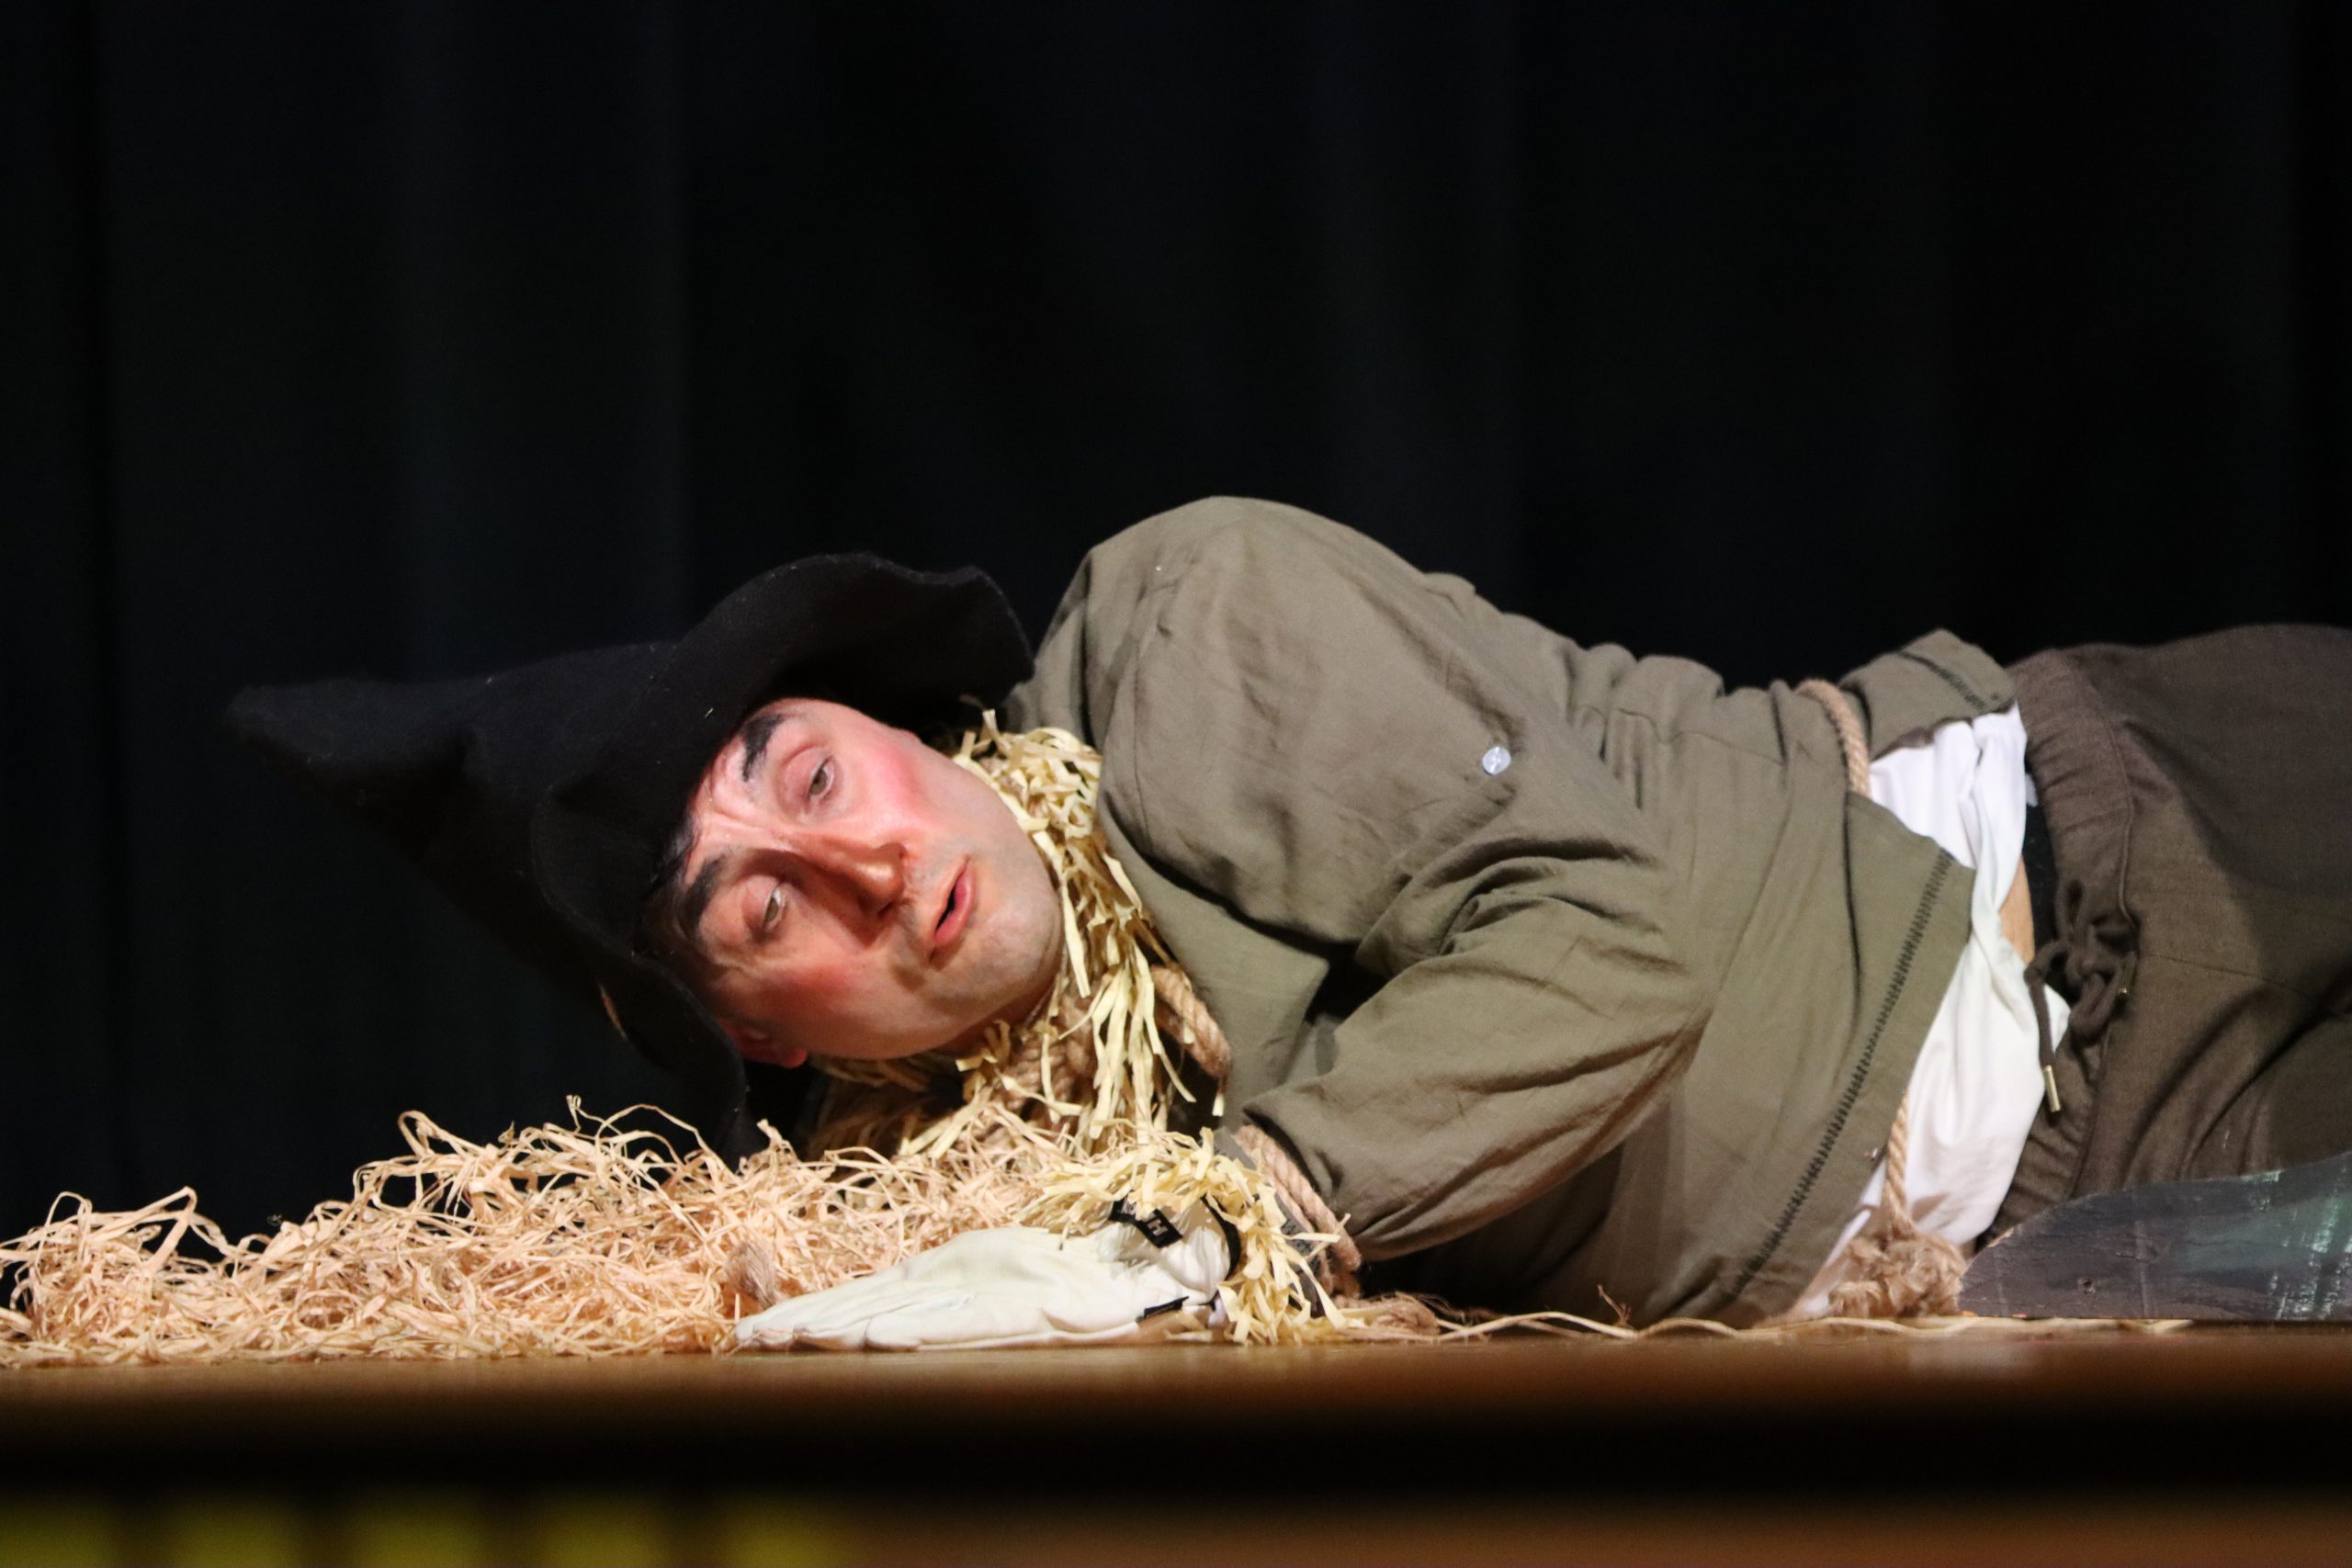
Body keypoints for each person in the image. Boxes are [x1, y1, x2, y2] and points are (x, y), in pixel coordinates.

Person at [230, 497, 2352, 1337]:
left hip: (2123, 876)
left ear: (873, 716)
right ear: (760, 1033)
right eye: (759, 902)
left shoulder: (1178, 635)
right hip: (2098, 1206)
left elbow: (1607, 945)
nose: (861, 863)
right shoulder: (958, 1185)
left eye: (807, 776)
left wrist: (1208, 1217)